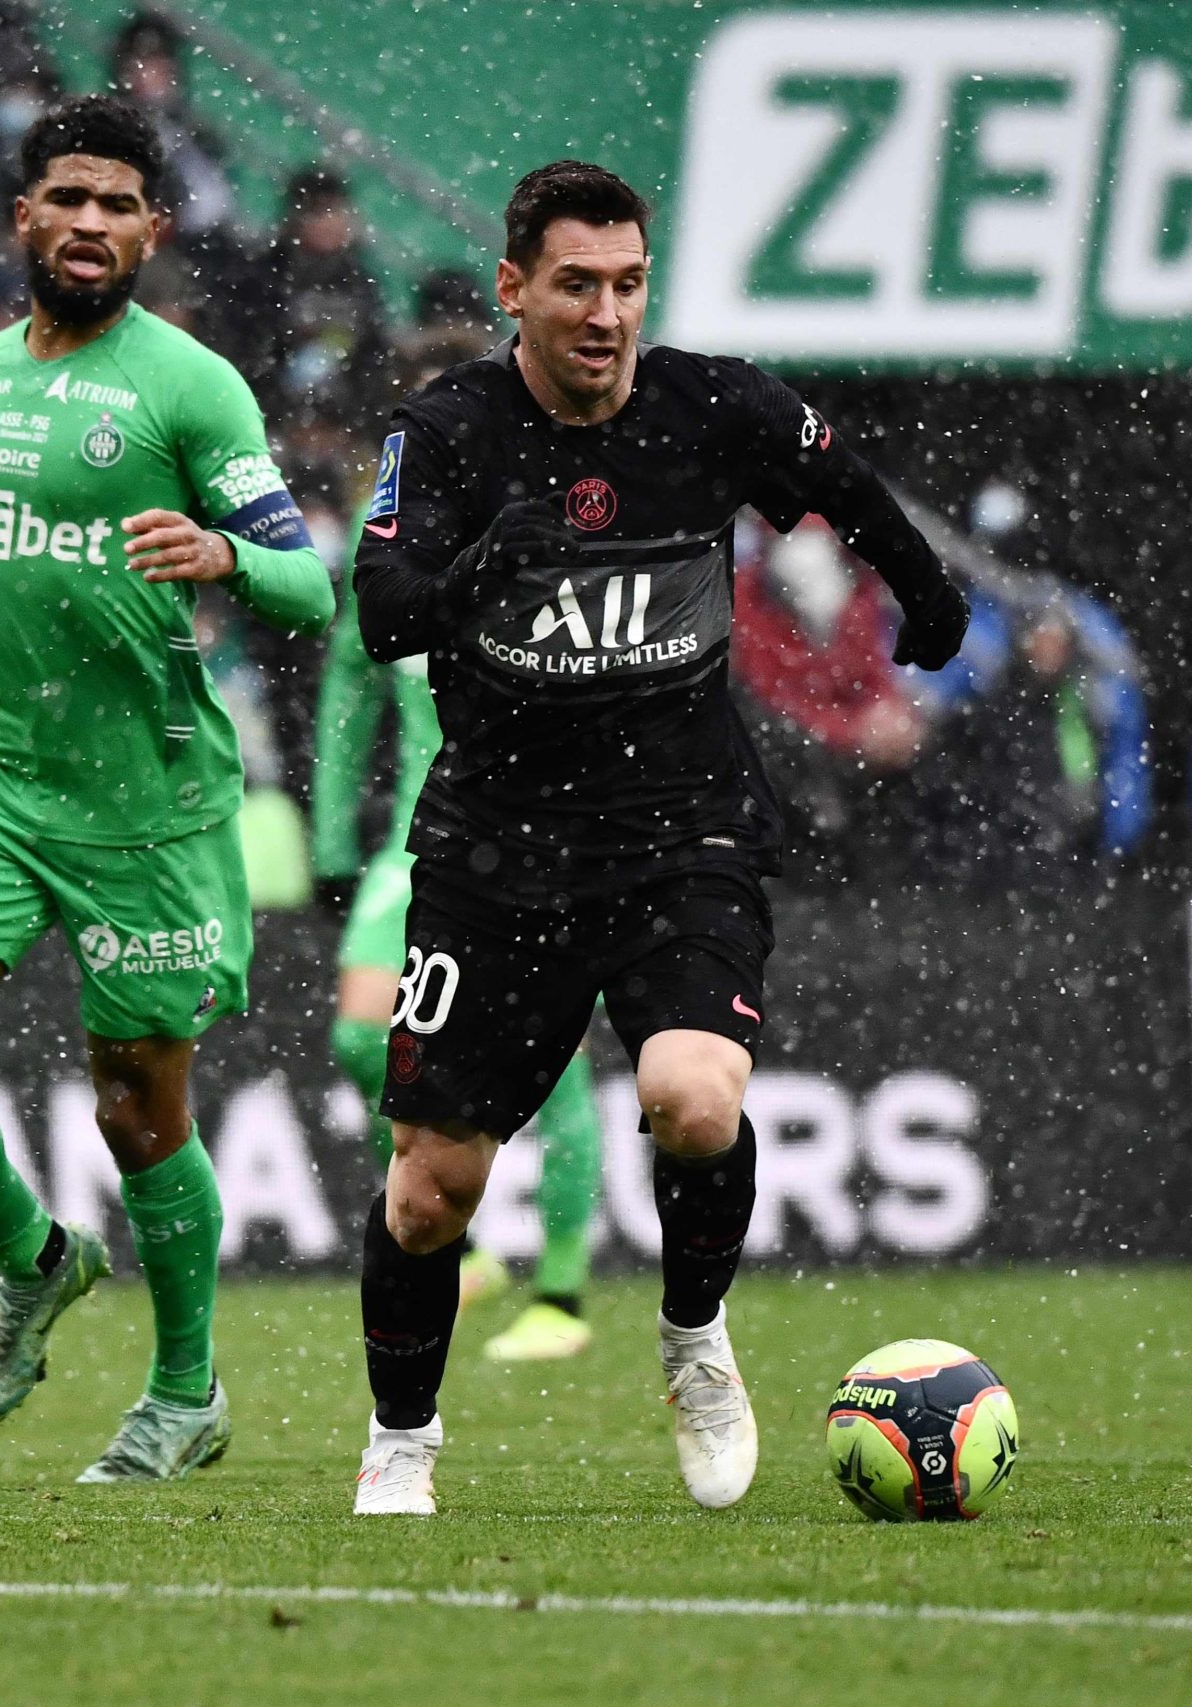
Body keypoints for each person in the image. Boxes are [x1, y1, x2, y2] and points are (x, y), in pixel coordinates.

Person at [348, 160, 967, 1515]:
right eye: (577, 283)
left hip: (683, 825)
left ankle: (693, 1336)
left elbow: (844, 480)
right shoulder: (448, 427)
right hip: (496, 853)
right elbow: (380, 604)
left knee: (694, 1095)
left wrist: (925, 592)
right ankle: (402, 1437)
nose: (607, 311)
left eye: (628, 283)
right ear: (515, 288)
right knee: (429, 1193)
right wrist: (473, 573)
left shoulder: (714, 402)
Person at [0, 97, 332, 1483]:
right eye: (68, 198)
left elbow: (307, 578)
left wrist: (220, 555)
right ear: (23, 216)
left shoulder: (192, 386)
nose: (92, 223)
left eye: (118, 204)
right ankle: (37, 1256)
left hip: (144, 807)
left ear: (153, 229)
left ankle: (185, 1387)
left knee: (137, 1110)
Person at [314, 370, 604, 1366]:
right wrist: (328, 846)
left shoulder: (552, 539)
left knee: (555, 1067)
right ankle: (464, 1241)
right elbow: (349, 683)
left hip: (540, 845)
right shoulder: (392, 554)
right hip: (417, 842)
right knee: (363, 1040)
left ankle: (561, 1292)